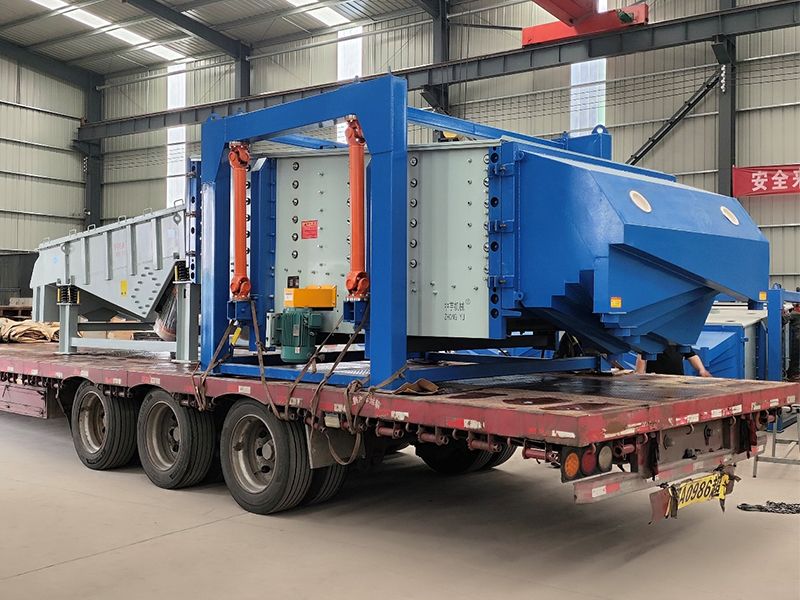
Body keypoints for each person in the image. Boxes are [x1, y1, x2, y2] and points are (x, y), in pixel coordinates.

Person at [635, 344, 711, 377]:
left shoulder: (679, 339)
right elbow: (641, 356)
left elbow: (692, 356)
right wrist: (639, 375)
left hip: (677, 378)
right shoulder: (653, 338)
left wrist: (702, 369)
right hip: (655, 378)